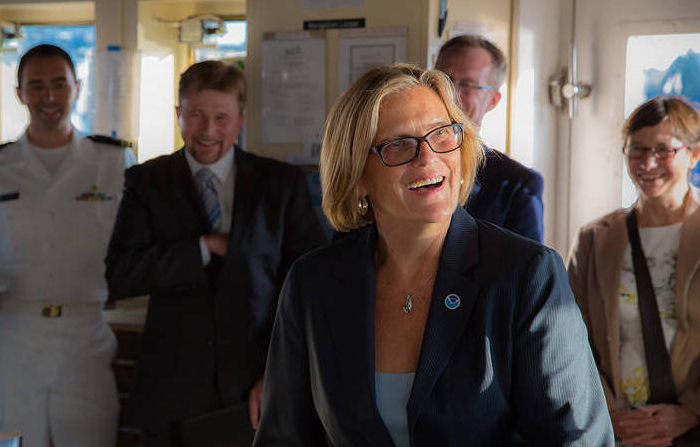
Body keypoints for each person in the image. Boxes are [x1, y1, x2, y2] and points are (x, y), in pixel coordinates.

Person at [253, 63, 613, 447]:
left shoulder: (525, 274)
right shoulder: (314, 284)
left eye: (442, 135)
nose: (427, 159)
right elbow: (282, 437)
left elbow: (578, 439)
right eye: (399, 145)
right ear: (358, 174)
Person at [105, 60, 327, 446]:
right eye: (196, 116)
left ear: (240, 120)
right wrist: (202, 249)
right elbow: (122, 275)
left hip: (256, 389)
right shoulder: (146, 181)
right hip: (171, 391)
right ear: (179, 115)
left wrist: (279, 372)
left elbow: (310, 288)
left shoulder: (280, 184)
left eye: (221, 118)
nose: (208, 131)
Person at [0, 44, 136, 447]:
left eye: (58, 84)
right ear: (20, 94)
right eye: (36, 86)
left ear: (77, 87)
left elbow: (137, 247)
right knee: (12, 443)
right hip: (9, 337)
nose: (48, 96)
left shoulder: (114, 163)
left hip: (87, 334)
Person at [568, 96, 700, 446]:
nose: (648, 163)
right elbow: (571, 338)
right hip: (618, 429)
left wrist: (691, 411)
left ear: (694, 154)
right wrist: (609, 413)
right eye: (637, 150)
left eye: (663, 150)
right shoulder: (594, 239)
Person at [435, 35, 544, 242]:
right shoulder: (401, 162)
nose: (450, 93)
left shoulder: (515, 185)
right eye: (444, 80)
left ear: (493, 100)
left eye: (467, 85)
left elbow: (528, 270)